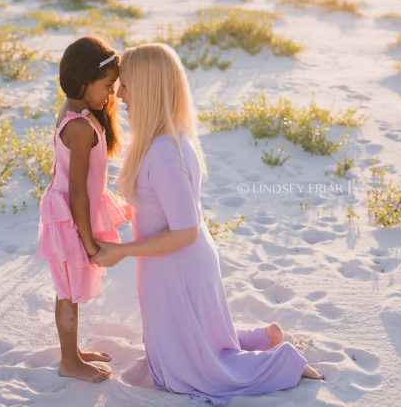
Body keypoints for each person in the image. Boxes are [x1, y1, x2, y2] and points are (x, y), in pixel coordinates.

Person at [90, 43, 322, 404]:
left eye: (127, 86)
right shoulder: (165, 141)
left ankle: (285, 363)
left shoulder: (164, 151)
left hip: (177, 264)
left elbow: (184, 231)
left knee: (191, 373)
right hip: (170, 264)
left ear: (149, 88)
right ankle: (266, 336)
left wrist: (122, 251)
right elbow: (157, 208)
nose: (119, 96)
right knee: (196, 344)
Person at [36, 36, 130, 383]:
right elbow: (77, 191)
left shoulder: (80, 114)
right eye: (106, 86)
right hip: (68, 218)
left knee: (71, 288)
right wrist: (88, 242)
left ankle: (73, 351)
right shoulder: (78, 126)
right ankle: (68, 362)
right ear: (82, 82)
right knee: (67, 292)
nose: (109, 95)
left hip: (70, 214)